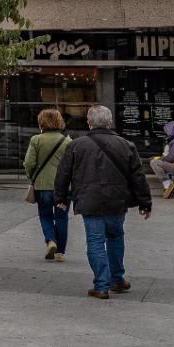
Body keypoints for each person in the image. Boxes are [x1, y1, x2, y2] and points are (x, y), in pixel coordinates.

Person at [55, 104, 152, 299]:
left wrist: (61, 198)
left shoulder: (76, 145)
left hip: (89, 201)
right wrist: (145, 202)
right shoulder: (126, 145)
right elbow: (138, 177)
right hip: (117, 200)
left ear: (89, 123)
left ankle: (101, 285)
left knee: (95, 241)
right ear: (110, 122)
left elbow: (63, 173)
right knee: (116, 237)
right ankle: (117, 279)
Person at [22, 108, 71, 262]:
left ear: (41, 122)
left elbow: (29, 163)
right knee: (62, 217)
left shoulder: (36, 140)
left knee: (45, 215)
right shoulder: (67, 141)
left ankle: (51, 240)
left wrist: (32, 177)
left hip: (42, 185)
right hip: (63, 187)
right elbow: (72, 166)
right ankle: (60, 253)